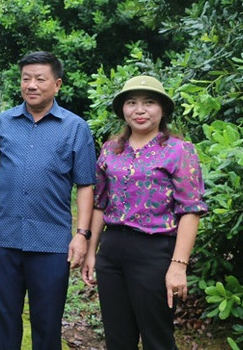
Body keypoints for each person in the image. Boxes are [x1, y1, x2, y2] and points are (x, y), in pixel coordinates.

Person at [0, 51, 97, 350]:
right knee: (3, 322)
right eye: (26, 78)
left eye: (40, 79)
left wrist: (81, 234)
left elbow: (85, 185)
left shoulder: (75, 127)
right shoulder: (1, 124)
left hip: (51, 242)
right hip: (5, 237)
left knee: (47, 324)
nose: (31, 85)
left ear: (57, 84)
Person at [81, 75, 207, 349]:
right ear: (122, 109)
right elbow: (100, 203)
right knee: (117, 339)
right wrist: (91, 252)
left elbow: (190, 210)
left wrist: (178, 265)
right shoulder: (111, 150)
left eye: (149, 102)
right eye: (132, 103)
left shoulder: (179, 151)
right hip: (112, 251)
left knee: (157, 339)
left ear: (162, 109)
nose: (140, 110)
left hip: (155, 252)